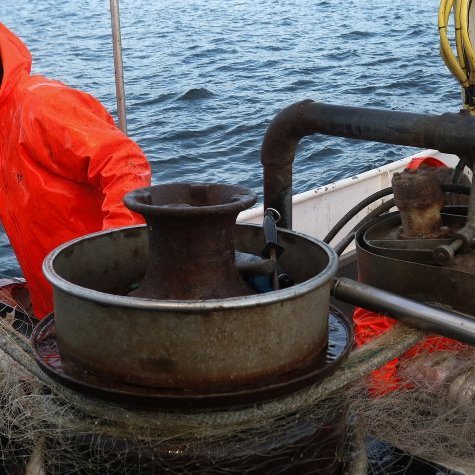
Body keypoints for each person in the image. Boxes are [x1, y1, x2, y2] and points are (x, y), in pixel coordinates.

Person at [0, 23, 152, 319]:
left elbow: (125, 164)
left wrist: (115, 252)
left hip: (105, 293)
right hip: (58, 307)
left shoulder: (41, 104)